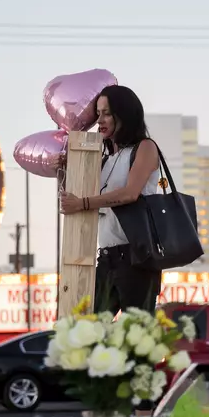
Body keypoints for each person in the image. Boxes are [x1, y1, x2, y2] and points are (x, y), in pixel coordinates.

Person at [59, 85, 162, 314]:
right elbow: (76, 200)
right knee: (91, 331)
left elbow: (130, 193)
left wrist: (83, 203)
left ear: (124, 113)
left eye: (106, 113)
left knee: (136, 338)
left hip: (136, 257)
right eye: (98, 113)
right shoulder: (105, 159)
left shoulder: (144, 147)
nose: (100, 120)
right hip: (106, 257)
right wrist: (63, 173)